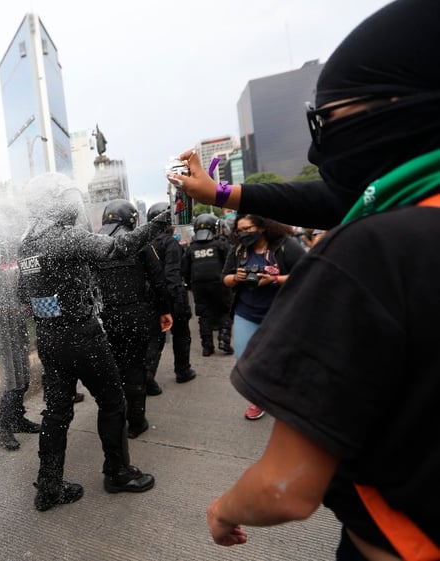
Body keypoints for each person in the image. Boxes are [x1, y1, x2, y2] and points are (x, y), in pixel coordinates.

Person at [203, 2, 440, 558]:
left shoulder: (367, 251)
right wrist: (219, 194)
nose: (317, 147)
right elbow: (334, 197)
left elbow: (284, 487)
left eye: (326, 119)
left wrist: (223, 510)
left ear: (393, 107)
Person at [17, 172, 162, 512]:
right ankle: (117, 472)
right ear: (55, 205)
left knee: (56, 413)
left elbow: (24, 295)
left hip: (49, 337)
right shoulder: (63, 237)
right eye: (68, 200)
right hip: (82, 336)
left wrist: (57, 303)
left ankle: (49, 487)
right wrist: (162, 222)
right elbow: (118, 246)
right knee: (113, 402)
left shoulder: (26, 243)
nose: (73, 206)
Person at [95, 199, 173, 439]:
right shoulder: (140, 242)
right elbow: (159, 280)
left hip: (105, 317)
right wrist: (165, 310)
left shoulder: (94, 243)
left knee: (114, 370)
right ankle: (136, 422)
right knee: (135, 369)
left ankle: (116, 418)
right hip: (135, 316)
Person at [221, 214, 304, 421]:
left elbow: (307, 271)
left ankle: (286, 397)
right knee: (244, 359)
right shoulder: (239, 250)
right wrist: (236, 277)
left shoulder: (285, 246)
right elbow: (225, 278)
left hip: (280, 313)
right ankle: (259, 399)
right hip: (246, 312)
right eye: (240, 231)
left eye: (248, 229)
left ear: (263, 227)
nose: (244, 234)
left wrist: (275, 279)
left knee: (283, 359)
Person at [0, 234, 42, 451]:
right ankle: (2, 425)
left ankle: (17, 418)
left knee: (23, 375)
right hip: (3, 330)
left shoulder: (10, 263)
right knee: (13, 378)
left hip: (16, 327)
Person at [144, 202, 197, 390]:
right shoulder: (170, 243)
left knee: (155, 338)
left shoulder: (145, 244)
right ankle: (182, 371)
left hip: (151, 298)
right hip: (172, 295)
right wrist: (178, 303)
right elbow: (172, 275)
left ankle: (148, 376)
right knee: (181, 334)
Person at [184, 213, 233, 357]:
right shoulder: (220, 244)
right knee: (225, 311)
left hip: (199, 286)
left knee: (204, 316)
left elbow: (185, 269)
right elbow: (229, 263)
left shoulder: (191, 248)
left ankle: (207, 347)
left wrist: (190, 286)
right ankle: (224, 342)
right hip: (220, 283)